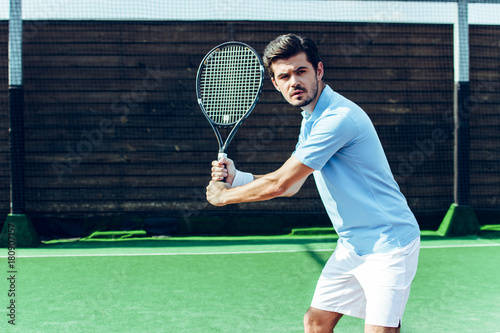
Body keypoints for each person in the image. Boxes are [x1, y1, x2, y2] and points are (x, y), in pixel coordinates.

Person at [206, 34, 420, 333]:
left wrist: (223, 197)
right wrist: (237, 178)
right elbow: (292, 183)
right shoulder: (312, 119)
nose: (294, 81)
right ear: (275, 84)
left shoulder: (337, 119)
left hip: (388, 244)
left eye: (301, 71)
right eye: (285, 76)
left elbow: (281, 184)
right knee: (317, 322)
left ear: (318, 71)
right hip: (352, 245)